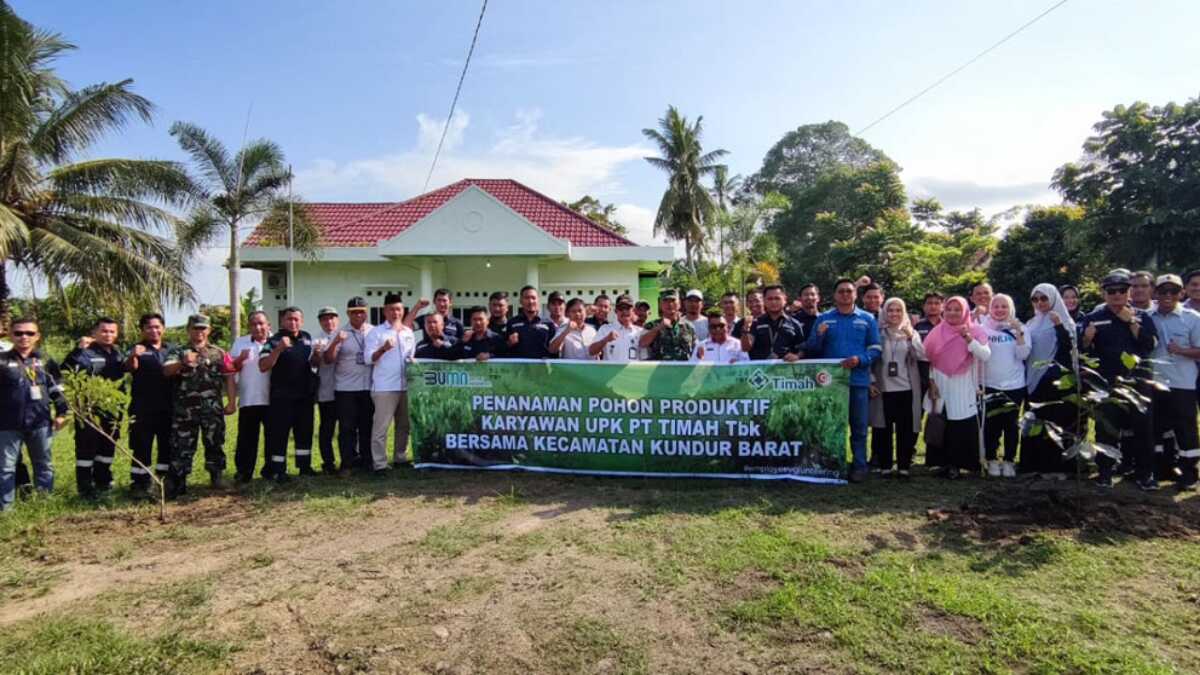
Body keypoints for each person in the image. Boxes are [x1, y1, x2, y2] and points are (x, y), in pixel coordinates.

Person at [1079, 271, 1159, 489]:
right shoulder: (1094, 317)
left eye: (1122, 290)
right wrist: (1086, 339)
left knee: (1143, 428)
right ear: (1103, 293)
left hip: (1138, 381)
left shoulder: (1142, 316)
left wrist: (1131, 322)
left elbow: (1150, 345)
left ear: (1128, 292)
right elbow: (1083, 352)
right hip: (1106, 382)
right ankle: (1105, 472)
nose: (1117, 295)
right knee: (1106, 428)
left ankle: (1145, 474)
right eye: (1111, 291)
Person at [805, 278, 883, 483]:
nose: (846, 295)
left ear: (855, 294)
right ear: (834, 295)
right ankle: (830, 465)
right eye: (841, 291)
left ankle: (859, 466)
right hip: (830, 384)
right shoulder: (824, 318)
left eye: (849, 291)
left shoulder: (867, 319)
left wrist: (860, 360)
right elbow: (811, 348)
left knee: (859, 427)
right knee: (829, 426)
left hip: (858, 381)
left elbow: (876, 349)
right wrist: (819, 336)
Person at [162, 314, 236, 497]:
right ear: (188, 330)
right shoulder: (178, 351)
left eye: (203, 328)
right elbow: (166, 370)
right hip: (185, 410)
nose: (199, 332)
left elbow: (229, 377)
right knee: (182, 445)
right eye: (195, 328)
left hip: (212, 408)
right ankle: (179, 481)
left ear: (209, 330)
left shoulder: (219, 353)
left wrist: (231, 402)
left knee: (215, 442)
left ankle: (216, 477)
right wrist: (182, 362)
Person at [0, 318, 68, 511]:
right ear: (10, 335)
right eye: (18, 333)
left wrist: (62, 413)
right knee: (5, 467)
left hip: (40, 422)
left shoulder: (46, 360)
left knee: (44, 464)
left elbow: (58, 389)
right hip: (7, 424)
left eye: (29, 333)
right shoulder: (2, 360)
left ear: (37, 336)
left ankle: (43, 504)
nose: (24, 337)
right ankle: (6, 509)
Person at [923, 296, 992, 479]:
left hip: (963, 384)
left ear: (965, 311)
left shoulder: (975, 330)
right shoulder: (937, 331)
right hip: (940, 383)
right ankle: (941, 463)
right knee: (941, 421)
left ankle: (959, 464)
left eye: (957, 309)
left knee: (960, 423)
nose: (952, 313)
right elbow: (929, 359)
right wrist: (931, 382)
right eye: (949, 309)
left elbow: (985, 355)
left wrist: (968, 338)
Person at [1148, 274, 1200, 491]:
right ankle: (1162, 469)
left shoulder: (1193, 318)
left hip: (1183, 383)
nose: (1168, 295)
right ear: (1156, 293)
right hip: (1155, 381)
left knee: (1185, 428)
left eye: (1173, 291)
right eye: (1163, 291)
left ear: (1182, 293)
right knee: (1157, 428)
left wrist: (1181, 351)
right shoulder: (1147, 317)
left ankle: (1189, 473)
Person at [1023, 284, 1079, 479]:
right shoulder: (1031, 322)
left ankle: (1056, 468)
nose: (1039, 303)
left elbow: (1069, 349)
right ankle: (1033, 465)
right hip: (1034, 380)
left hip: (1055, 381)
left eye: (1044, 298)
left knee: (1055, 425)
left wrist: (1058, 326)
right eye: (1035, 299)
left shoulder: (1064, 320)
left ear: (1054, 299)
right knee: (1035, 422)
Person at [65, 317, 125, 499]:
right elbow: (67, 368)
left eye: (112, 331)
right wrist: (79, 349)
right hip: (89, 408)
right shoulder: (85, 351)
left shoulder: (117, 353)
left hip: (113, 409)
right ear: (94, 333)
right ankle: (85, 486)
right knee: (86, 446)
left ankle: (103, 481)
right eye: (104, 331)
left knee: (108, 444)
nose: (108, 335)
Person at [867, 298, 925, 478]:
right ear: (885, 312)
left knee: (905, 429)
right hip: (883, 389)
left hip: (906, 388)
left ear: (904, 312)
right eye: (890, 310)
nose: (894, 314)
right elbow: (870, 359)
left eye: (898, 310)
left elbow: (923, 355)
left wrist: (911, 337)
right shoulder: (878, 333)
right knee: (882, 429)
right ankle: (885, 465)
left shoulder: (911, 332)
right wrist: (871, 380)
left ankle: (903, 466)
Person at [258, 306, 316, 480]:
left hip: (304, 396)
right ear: (282, 321)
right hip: (282, 397)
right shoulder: (274, 340)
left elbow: (312, 363)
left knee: (304, 432)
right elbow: (263, 366)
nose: (293, 322)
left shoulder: (307, 338)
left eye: (296, 319)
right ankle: (278, 470)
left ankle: (304, 467)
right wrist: (278, 349)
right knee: (280, 434)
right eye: (289, 319)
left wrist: (318, 355)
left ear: (302, 321)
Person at [365, 293, 417, 473]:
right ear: (384, 311)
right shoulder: (376, 332)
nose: (395, 313)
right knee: (381, 428)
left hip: (405, 386)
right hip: (385, 388)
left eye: (399, 309)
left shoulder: (408, 332)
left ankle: (400, 457)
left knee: (404, 426)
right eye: (391, 309)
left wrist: (413, 361)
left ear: (403, 311)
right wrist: (383, 349)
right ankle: (379, 464)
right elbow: (368, 359)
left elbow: (411, 356)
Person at [125, 313, 174, 497]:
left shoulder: (172, 349)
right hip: (142, 408)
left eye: (157, 327)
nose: (153, 330)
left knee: (166, 446)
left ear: (163, 329)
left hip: (168, 407)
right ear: (142, 330)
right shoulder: (136, 348)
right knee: (141, 446)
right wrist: (133, 356)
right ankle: (139, 484)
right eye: (149, 327)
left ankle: (162, 482)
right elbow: (130, 368)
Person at [324, 297, 374, 475]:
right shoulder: (340, 332)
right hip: (346, 389)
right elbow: (328, 359)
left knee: (367, 426)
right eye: (354, 312)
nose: (358, 315)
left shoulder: (373, 331)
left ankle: (367, 461)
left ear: (366, 312)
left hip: (368, 387)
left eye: (361, 311)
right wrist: (336, 342)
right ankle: (347, 463)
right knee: (347, 428)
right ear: (348, 313)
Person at [981, 294, 1030, 479]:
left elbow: (1023, 355)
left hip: (1014, 386)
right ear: (990, 308)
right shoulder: (983, 328)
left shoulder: (1021, 328)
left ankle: (1009, 460)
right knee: (991, 425)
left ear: (1011, 308)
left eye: (1004, 306)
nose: (1000, 310)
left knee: (1011, 426)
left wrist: (1018, 333)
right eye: (996, 306)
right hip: (989, 384)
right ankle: (992, 459)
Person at [231, 311, 273, 483]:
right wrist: (240, 359)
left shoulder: (277, 341)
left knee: (273, 437)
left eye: (261, 323)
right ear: (249, 327)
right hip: (249, 398)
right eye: (253, 324)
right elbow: (231, 369)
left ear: (268, 325)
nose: (258, 327)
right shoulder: (240, 343)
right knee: (246, 438)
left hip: (273, 398)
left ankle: (271, 470)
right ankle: (244, 472)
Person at [312, 306, 341, 474]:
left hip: (346, 389)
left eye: (331, 318)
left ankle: (351, 459)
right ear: (320, 322)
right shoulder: (317, 340)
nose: (328, 321)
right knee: (327, 429)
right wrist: (316, 354)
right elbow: (313, 364)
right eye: (324, 319)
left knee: (348, 428)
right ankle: (328, 462)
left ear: (337, 320)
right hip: (326, 390)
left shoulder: (346, 335)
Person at [744, 285, 804, 361]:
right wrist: (745, 330)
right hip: (760, 367)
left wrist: (797, 356)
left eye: (777, 298)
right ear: (764, 301)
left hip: (785, 366)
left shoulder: (795, 324)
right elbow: (746, 348)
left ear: (785, 300)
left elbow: (802, 350)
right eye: (770, 299)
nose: (773, 302)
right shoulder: (756, 323)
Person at [640, 290, 697, 361]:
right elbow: (642, 343)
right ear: (660, 305)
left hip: (683, 367)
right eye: (665, 301)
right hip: (660, 367)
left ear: (679, 304)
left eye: (673, 300)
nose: (669, 304)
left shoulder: (689, 327)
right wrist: (658, 328)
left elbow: (696, 350)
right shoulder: (651, 325)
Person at [503, 286, 555, 359]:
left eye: (533, 298)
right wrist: (509, 343)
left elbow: (553, 349)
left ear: (538, 300)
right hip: (519, 365)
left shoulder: (548, 323)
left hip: (541, 365)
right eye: (526, 298)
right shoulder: (512, 322)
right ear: (520, 301)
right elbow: (503, 348)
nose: (530, 301)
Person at [590, 296, 644, 362]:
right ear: (616, 311)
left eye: (628, 308)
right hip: (611, 369)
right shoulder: (605, 329)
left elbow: (645, 358)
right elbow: (591, 351)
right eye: (621, 309)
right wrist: (605, 340)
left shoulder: (640, 332)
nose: (624, 311)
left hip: (633, 369)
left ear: (633, 311)